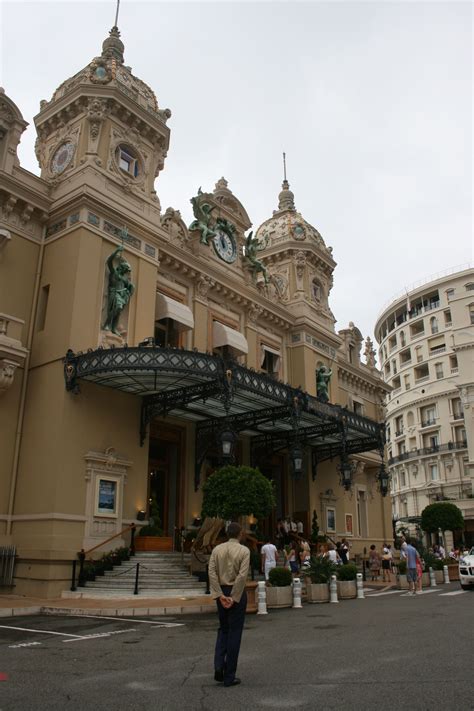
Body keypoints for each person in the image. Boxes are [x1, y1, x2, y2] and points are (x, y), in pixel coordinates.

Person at [208, 522, 250, 687]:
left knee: (223, 629)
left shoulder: (217, 549)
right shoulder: (244, 550)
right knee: (234, 632)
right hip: (236, 593)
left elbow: (211, 572)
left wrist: (219, 594)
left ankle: (219, 666)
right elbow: (242, 575)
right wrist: (233, 597)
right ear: (240, 533)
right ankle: (229, 675)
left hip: (221, 592)